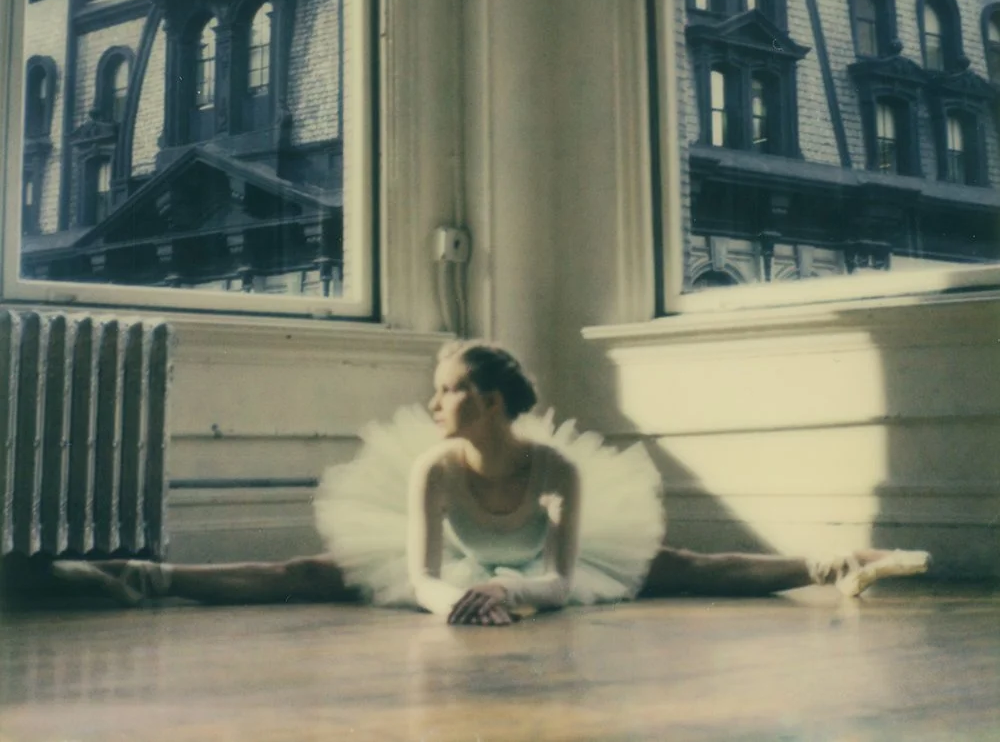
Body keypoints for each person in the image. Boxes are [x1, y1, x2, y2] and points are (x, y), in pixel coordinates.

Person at [52, 340, 930, 624]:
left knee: (680, 562)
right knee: (311, 572)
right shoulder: (432, 467)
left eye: (453, 388)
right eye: (435, 389)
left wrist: (521, 595)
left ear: (496, 397)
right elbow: (428, 571)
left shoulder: (557, 468)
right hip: (465, 571)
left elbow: (563, 567)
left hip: (535, 563)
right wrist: (458, 601)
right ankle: (144, 578)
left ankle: (827, 565)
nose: (436, 401)